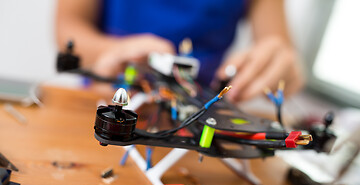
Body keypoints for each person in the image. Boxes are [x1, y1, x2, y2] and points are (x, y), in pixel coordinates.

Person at [56, 0, 304, 102]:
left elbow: (280, 51)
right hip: (105, 101)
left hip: (199, 113)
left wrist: (280, 66)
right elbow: (67, 26)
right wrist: (113, 51)